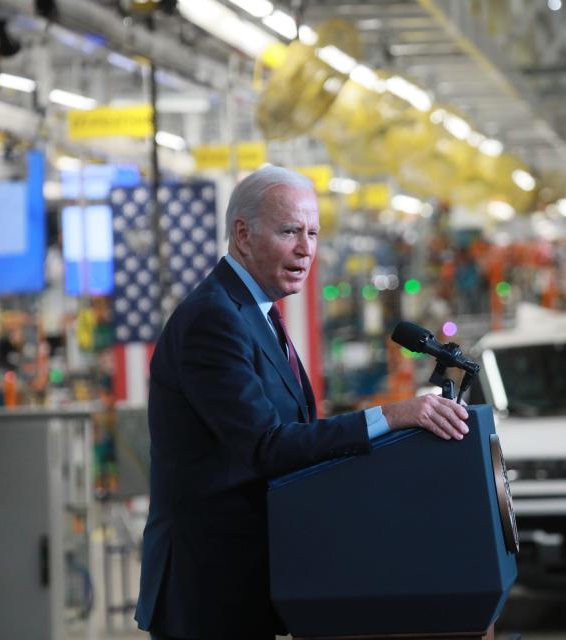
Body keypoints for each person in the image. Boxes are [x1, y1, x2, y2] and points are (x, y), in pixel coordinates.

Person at [135, 165, 469, 640]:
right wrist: (391, 415)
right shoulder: (213, 319)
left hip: (251, 580)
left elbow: (289, 429)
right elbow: (264, 447)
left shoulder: (254, 313)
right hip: (209, 588)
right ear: (243, 234)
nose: (306, 248)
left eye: (312, 233)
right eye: (289, 231)